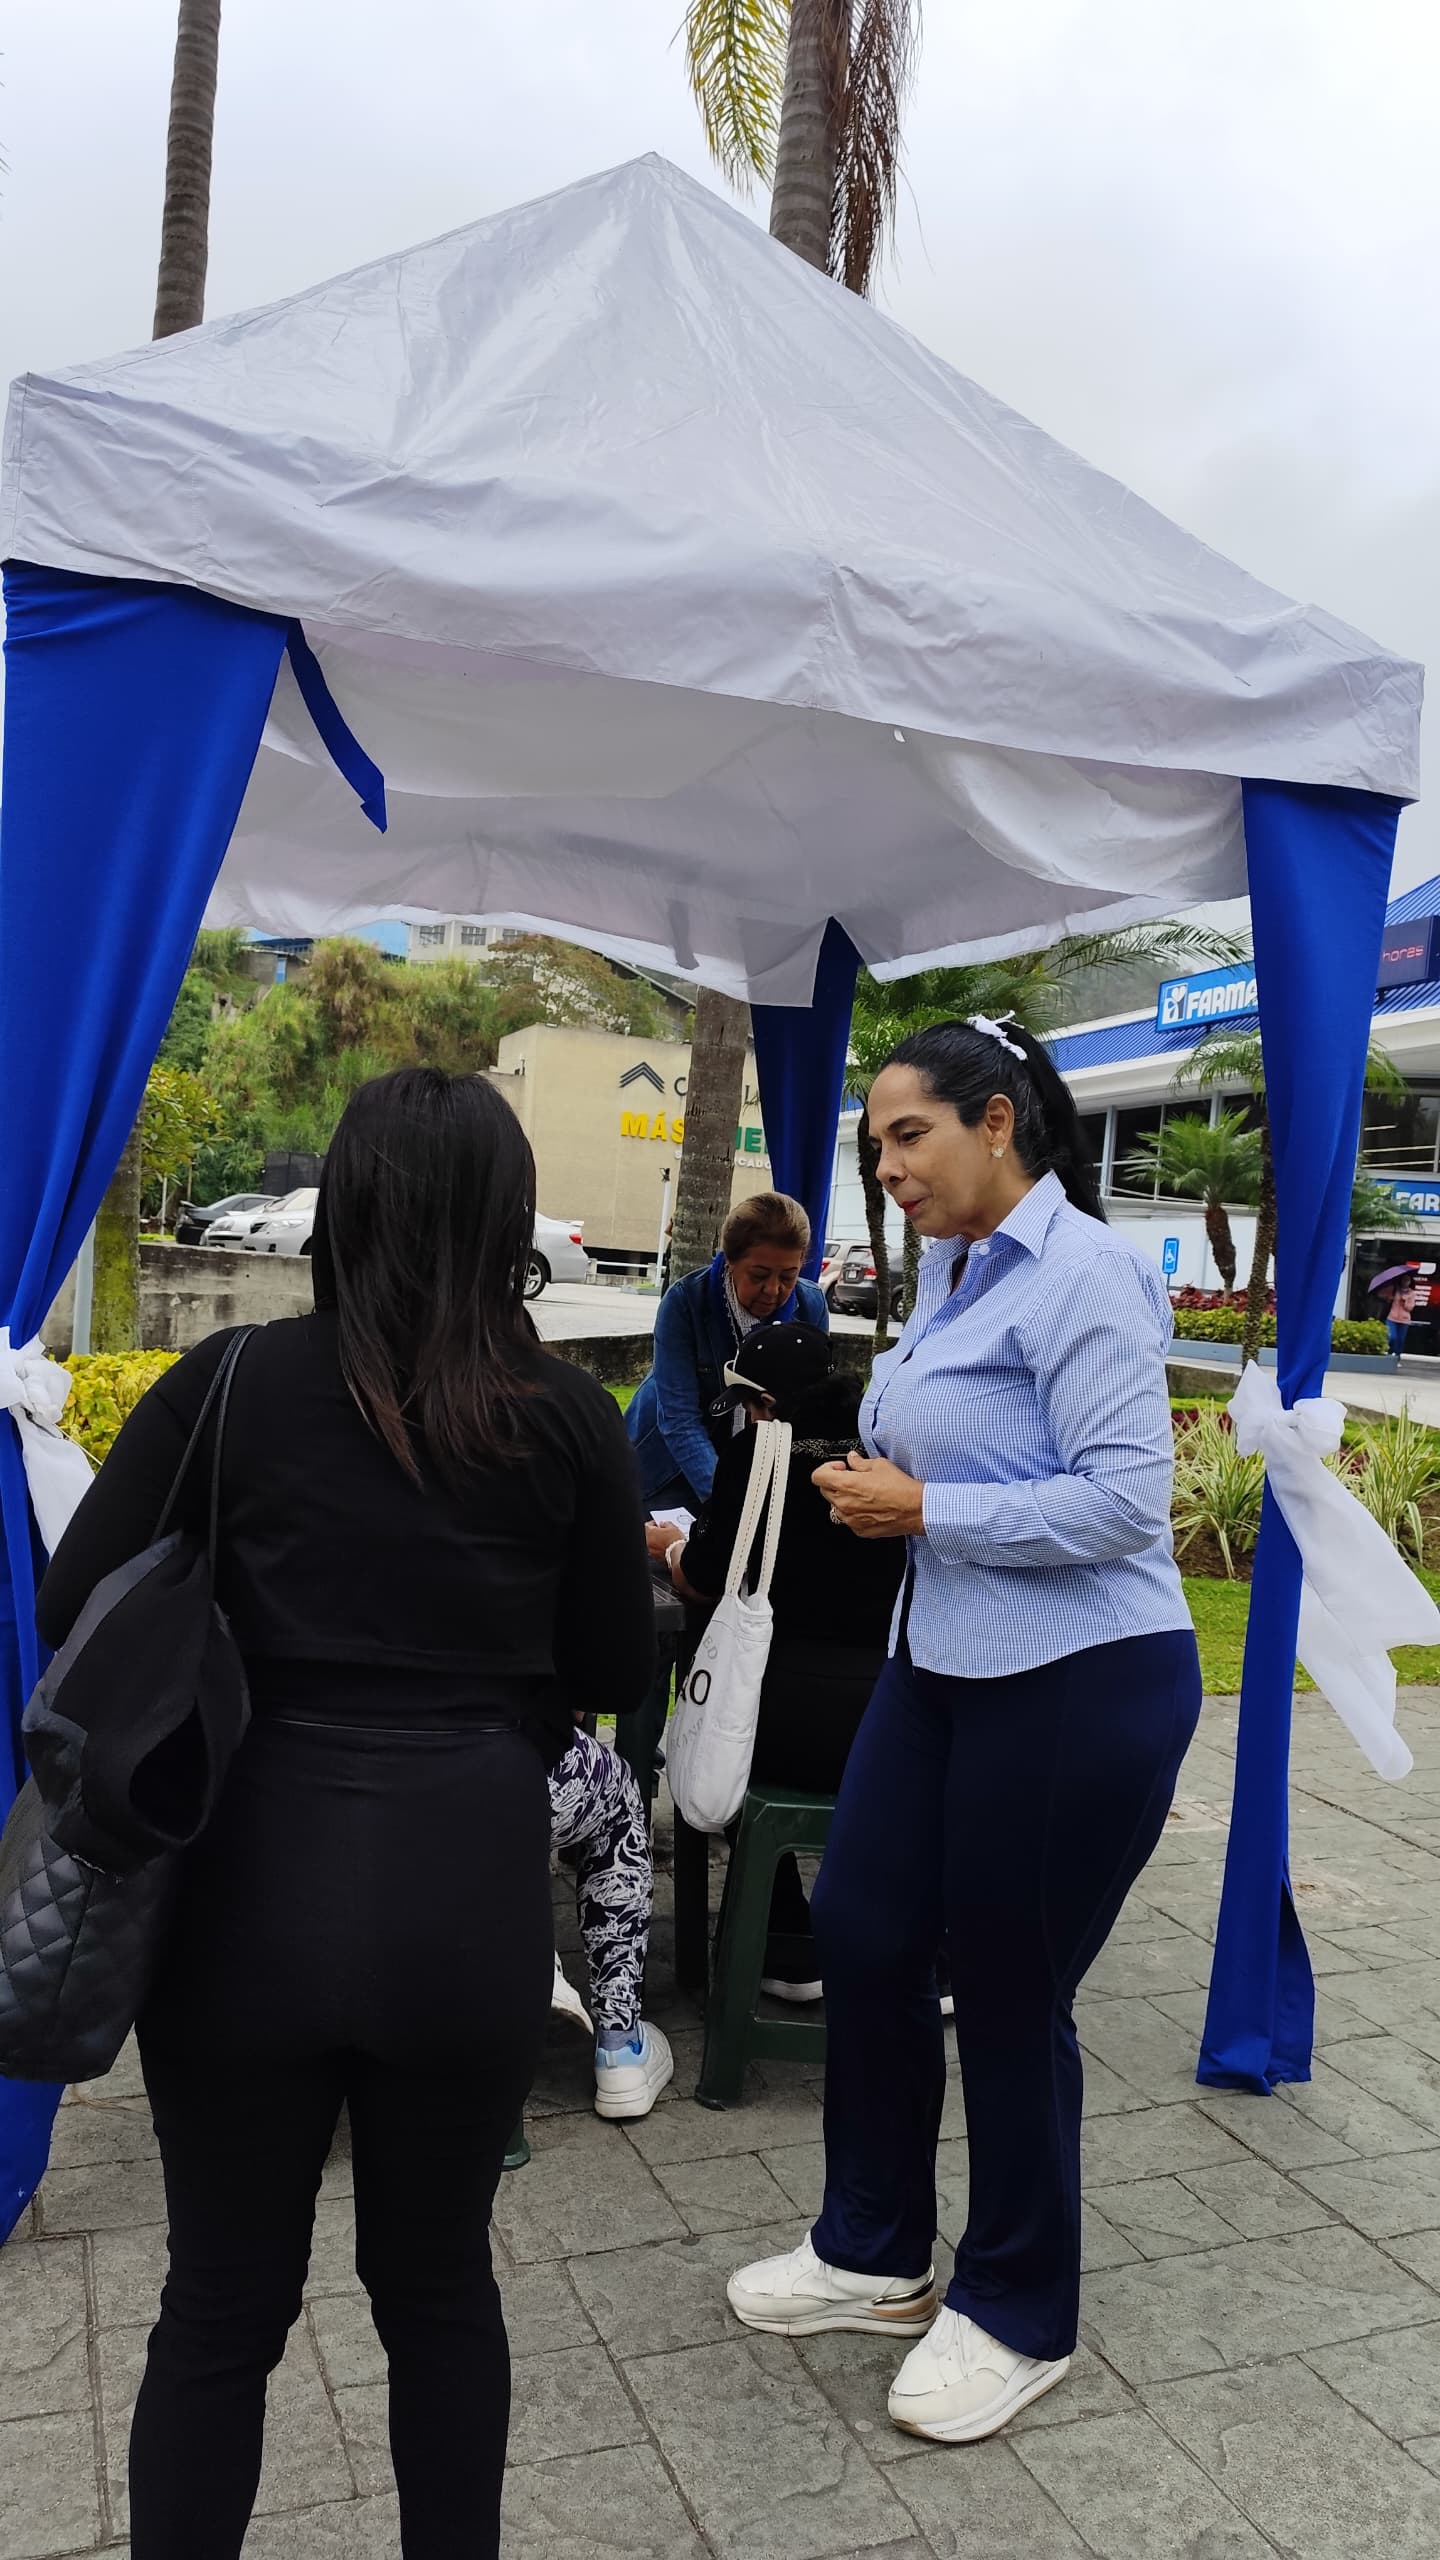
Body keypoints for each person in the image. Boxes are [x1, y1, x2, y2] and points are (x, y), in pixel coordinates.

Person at [36, 1068, 655, 2560]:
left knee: (220, 2308)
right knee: (441, 2293)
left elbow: (73, 1609)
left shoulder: (226, 1388)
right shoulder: (568, 1419)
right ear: (509, 1225)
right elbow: (615, 1670)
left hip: (244, 1896)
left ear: (344, 1205)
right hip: (463, 1901)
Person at [727, 1016, 1201, 2449]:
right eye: (877, 1140)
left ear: (997, 1123)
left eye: (907, 1133)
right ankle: (874, 2248)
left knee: (1006, 1991)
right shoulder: (947, 1269)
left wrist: (928, 1509)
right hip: (939, 1665)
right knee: (865, 1928)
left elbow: (1129, 1504)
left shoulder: (1091, 1277)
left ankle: (1015, 2309)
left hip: (1081, 1677)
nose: (886, 1165)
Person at [668, 1322, 904, 1999]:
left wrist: (674, 1550)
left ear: (764, 1402)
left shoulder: (758, 1454)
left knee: (728, 1756)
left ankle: (783, 1942)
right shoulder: (887, 1449)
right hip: (892, 1712)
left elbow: (707, 1577)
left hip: (782, 1710)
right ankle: (918, 1949)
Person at [626, 1191, 829, 1512]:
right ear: (730, 1261)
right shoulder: (685, 1302)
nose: (774, 1290)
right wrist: (729, 1507)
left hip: (762, 1470)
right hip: (671, 1467)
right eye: (759, 1275)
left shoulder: (812, 1306)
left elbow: (811, 1410)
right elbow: (679, 1419)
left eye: (788, 1276)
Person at [547, 1722, 674, 2118]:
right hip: (495, 1758)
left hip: (366, 1768)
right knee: (619, 1797)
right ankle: (620, 2046)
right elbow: (607, 1681)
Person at [1386, 1273, 1419, 1362]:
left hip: (1404, 1320)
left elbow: (1410, 1307)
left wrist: (1404, 1302)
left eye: (1407, 1280)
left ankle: (1397, 1358)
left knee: (1400, 1340)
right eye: (1404, 1279)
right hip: (1392, 1317)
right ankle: (1389, 1353)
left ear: (1410, 1282)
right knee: (1392, 1337)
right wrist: (1390, 1298)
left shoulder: (1412, 1293)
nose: (1405, 1282)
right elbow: (1384, 1295)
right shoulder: (1395, 1289)